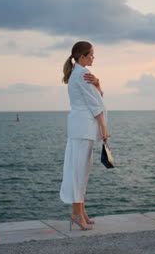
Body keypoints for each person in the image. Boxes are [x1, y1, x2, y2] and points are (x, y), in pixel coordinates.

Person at [59, 41, 108, 231]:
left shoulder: (77, 74)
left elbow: (96, 97)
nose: (93, 57)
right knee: (79, 171)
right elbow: (95, 104)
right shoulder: (83, 73)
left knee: (80, 171)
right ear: (82, 57)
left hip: (79, 127)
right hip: (83, 128)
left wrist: (98, 84)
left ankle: (81, 212)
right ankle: (77, 214)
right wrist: (103, 127)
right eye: (91, 54)